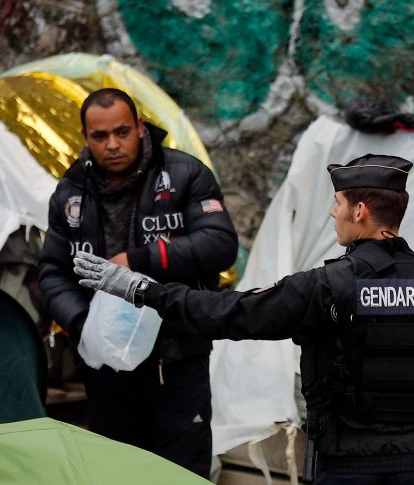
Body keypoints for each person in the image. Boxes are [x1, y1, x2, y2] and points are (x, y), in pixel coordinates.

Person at [73, 153, 414, 485]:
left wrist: (140, 289)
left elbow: (229, 314)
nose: (332, 213)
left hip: (345, 464)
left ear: (360, 212)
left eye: (337, 203)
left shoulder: (327, 286)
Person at [38, 88, 238, 478]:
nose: (112, 144)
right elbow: (51, 271)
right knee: (118, 472)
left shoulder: (185, 174)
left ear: (140, 129)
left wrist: (138, 260)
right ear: (85, 136)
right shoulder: (70, 192)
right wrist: (82, 325)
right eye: (100, 136)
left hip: (177, 356)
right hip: (107, 367)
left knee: (181, 472)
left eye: (122, 132)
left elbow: (220, 244)